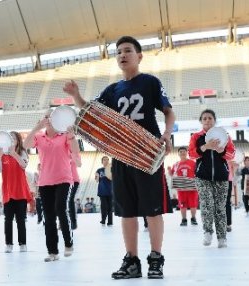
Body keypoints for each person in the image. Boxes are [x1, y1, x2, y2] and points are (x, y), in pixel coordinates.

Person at [64, 35, 175, 279]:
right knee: (126, 211)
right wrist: (76, 96)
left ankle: (156, 259)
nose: (122, 55)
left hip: (148, 155)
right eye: (118, 53)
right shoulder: (113, 89)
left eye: (127, 51)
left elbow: (168, 111)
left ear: (139, 56)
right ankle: (132, 261)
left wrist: (167, 134)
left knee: (153, 210)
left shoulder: (150, 82)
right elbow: (90, 111)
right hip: (122, 155)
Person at [24, 110, 79, 262]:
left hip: (64, 179)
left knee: (61, 209)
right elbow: (25, 145)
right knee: (48, 217)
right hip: (45, 181)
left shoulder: (64, 135)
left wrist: (72, 135)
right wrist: (36, 128)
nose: (48, 119)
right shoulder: (39, 137)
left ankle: (68, 243)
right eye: (46, 117)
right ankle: (52, 251)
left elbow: (75, 150)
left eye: (51, 117)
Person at [188, 109, 235, 248]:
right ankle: (207, 232)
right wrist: (205, 147)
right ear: (201, 121)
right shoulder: (196, 137)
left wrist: (222, 151)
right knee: (207, 204)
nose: (207, 120)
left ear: (215, 120)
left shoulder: (225, 136)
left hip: (221, 177)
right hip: (202, 177)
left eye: (210, 118)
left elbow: (232, 154)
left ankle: (222, 237)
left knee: (220, 208)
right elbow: (191, 154)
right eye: (204, 118)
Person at [0, 131, 32, 253]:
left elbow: (23, 165)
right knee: (8, 219)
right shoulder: (3, 155)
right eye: (9, 139)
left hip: (20, 190)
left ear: (18, 141)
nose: (11, 141)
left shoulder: (22, 152)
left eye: (13, 139)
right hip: (8, 191)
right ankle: (9, 244)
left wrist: (14, 153)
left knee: (21, 219)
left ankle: (23, 243)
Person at [167, 147, 198, 226]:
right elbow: (172, 175)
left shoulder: (193, 163)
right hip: (181, 188)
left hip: (192, 187)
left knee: (193, 204)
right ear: (179, 153)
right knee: (182, 204)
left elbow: (197, 173)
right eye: (181, 152)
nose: (182, 153)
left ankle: (193, 218)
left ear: (186, 153)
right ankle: (184, 219)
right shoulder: (176, 164)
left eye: (184, 151)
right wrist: (169, 171)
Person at [96, 156, 113, 226]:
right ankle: (103, 220)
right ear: (102, 162)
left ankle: (110, 221)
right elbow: (97, 179)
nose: (106, 161)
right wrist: (96, 177)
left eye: (107, 160)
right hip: (102, 191)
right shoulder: (99, 170)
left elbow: (113, 178)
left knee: (110, 207)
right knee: (103, 206)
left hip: (110, 190)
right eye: (104, 160)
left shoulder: (111, 169)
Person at [68, 144, 82, 230]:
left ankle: (73, 222)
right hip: (62, 179)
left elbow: (79, 164)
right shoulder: (61, 152)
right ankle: (63, 222)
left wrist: (73, 154)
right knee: (62, 202)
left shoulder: (76, 153)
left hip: (74, 180)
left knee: (70, 200)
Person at [226, 161, 239, 232]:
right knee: (219, 202)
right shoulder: (216, 154)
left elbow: (237, 166)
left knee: (227, 202)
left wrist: (235, 165)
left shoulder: (229, 157)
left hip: (228, 181)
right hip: (218, 180)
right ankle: (220, 223)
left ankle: (228, 224)